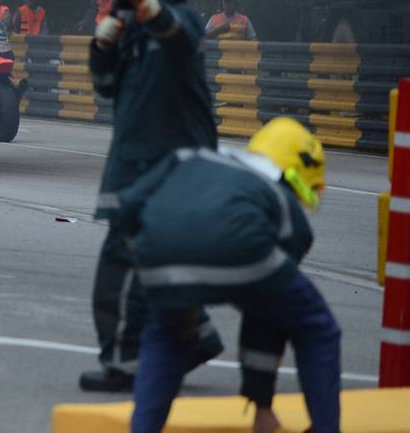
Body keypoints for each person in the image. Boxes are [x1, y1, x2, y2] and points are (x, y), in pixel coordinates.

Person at [118, 118, 339, 433]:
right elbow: (267, 316)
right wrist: (261, 401)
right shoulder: (280, 197)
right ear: (295, 176)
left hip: (158, 249)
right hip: (242, 248)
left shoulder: (192, 156)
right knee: (317, 327)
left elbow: (128, 206)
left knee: (168, 334)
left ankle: (143, 428)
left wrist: (144, 255)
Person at [82, 0, 223, 391]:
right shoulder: (129, 28)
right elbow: (106, 89)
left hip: (174, 165)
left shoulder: (184, 20)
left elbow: (178, 36)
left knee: (122, 265)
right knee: (159, 262)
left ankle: (123, 363)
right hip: (134, 160)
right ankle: (195, 336)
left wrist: (148, 13)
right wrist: (104, 44)